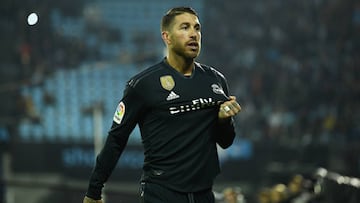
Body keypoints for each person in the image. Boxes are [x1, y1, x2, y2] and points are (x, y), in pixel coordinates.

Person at [83, 6, 242, 203]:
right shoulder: (143, 84)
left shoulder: (215, 80)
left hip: (204, 194)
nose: (193, 34)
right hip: (161, 193)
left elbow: (226, 141)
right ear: (167, 37)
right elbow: (117, 139)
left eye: (197, 28)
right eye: (184, 27)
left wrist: (224, 121)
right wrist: (94, 191)